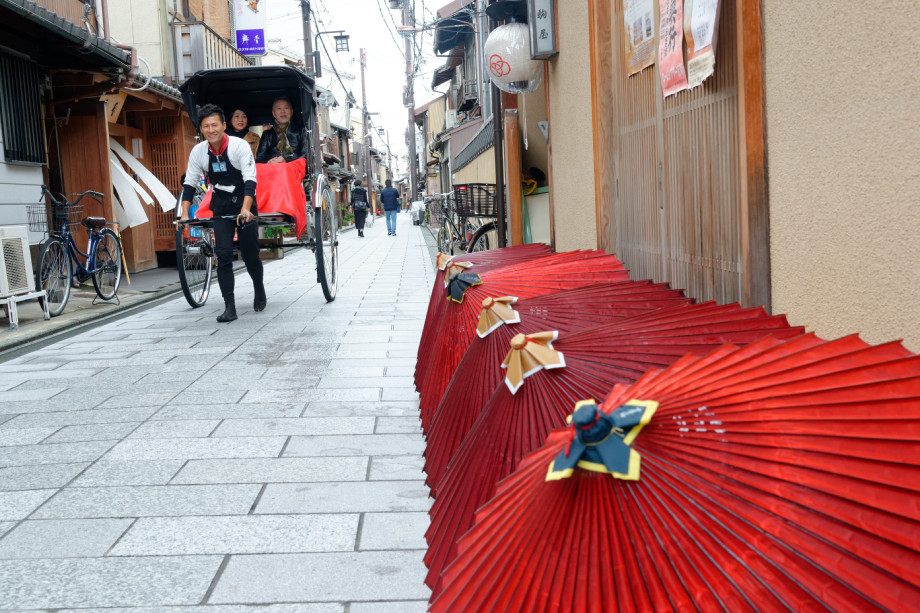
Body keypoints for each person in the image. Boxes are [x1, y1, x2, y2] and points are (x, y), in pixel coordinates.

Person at [180, 103, 266, 323]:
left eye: (215, 124)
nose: (211, 130)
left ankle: (259, 288)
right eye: (206, 126)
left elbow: (250, 179)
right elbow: (189, 184)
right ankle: (230, 307)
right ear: (201, 129)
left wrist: (246, 209)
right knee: (224, 254)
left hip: (244, 201)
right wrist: (184, 214)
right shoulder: (199, 152)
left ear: (224, 125)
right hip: (221, 203)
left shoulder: (239, 146)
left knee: (249, 254)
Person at [256, 97, 307, 164]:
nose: (283, 111)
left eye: (286, 108)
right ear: (273, 113)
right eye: (279, 108)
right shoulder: (267, 134)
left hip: (294, 169)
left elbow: (305, 155)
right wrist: (268, 162)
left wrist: (286, 161)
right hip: (273, 169)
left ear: (291, 111)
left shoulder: (301, 131)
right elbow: (259, 158)